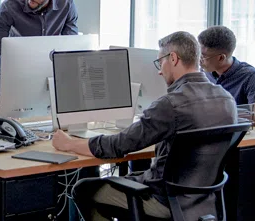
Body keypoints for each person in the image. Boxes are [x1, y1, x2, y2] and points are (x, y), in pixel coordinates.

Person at [51, 31, 237, 220]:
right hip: (203, 203)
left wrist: (70, 144)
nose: (159, 70)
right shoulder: (227, 99)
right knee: (134, 175)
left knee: (83, 189)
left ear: (173, 58)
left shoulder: (171, 104)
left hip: (165, 200)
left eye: (160, 62)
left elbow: (119, 145)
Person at [0, 0, 78, 116]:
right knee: (9, 129)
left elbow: (70, 48)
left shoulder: (66, 5)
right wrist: (4, 92)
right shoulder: (9, 7)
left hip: (50, 78)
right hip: (12, 80)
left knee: (53, 128)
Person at [198, 25, 255, 128]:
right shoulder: (202, 72)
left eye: (203, 57)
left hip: (236, 138)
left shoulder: (249, 76)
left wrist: (221, 114)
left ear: (221, 58)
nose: (199, 60)